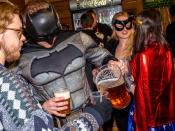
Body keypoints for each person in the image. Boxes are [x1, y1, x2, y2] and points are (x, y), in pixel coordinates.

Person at [0, 1, 113, 130]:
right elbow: (20, 101)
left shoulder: (79, 39)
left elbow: (101, 56)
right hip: (56, 125)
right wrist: (42, 107)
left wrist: (112, 61)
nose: (49, 41)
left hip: (91, 114)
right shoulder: (18, 57)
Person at [128, 9, 175, 131]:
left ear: (141, 29)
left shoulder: (142, 56)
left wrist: (126, 72)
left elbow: (142, 88)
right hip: (165, 108)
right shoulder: (166, 49)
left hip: (148, 113)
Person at [102, 12, 135, 131]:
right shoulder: (110, 47)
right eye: (120, 26)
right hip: (118, 100)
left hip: (136, 99)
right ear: (114, 28)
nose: (124, 29)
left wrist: (129, 71)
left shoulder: (138, 45)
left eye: (128, 25)